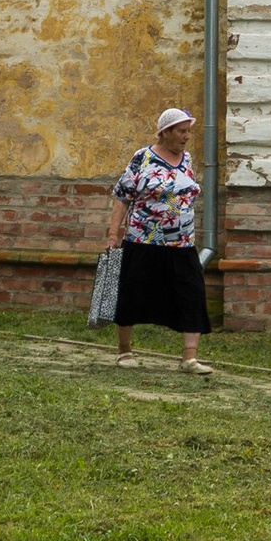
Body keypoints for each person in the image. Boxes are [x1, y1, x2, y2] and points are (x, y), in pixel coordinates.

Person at [106, 104, 212, 369]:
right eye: (181, 131)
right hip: (142, 240)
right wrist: (113, 234)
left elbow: (180, 197)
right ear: (165, 132)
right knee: (132, 292)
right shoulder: (142, 158)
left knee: (192, 293)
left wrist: (173, 217)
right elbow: (122, 197)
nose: (187, 136)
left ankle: (189, 357)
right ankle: (125, 352)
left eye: (188, 131)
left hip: (181, 242)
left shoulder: (186, 159)